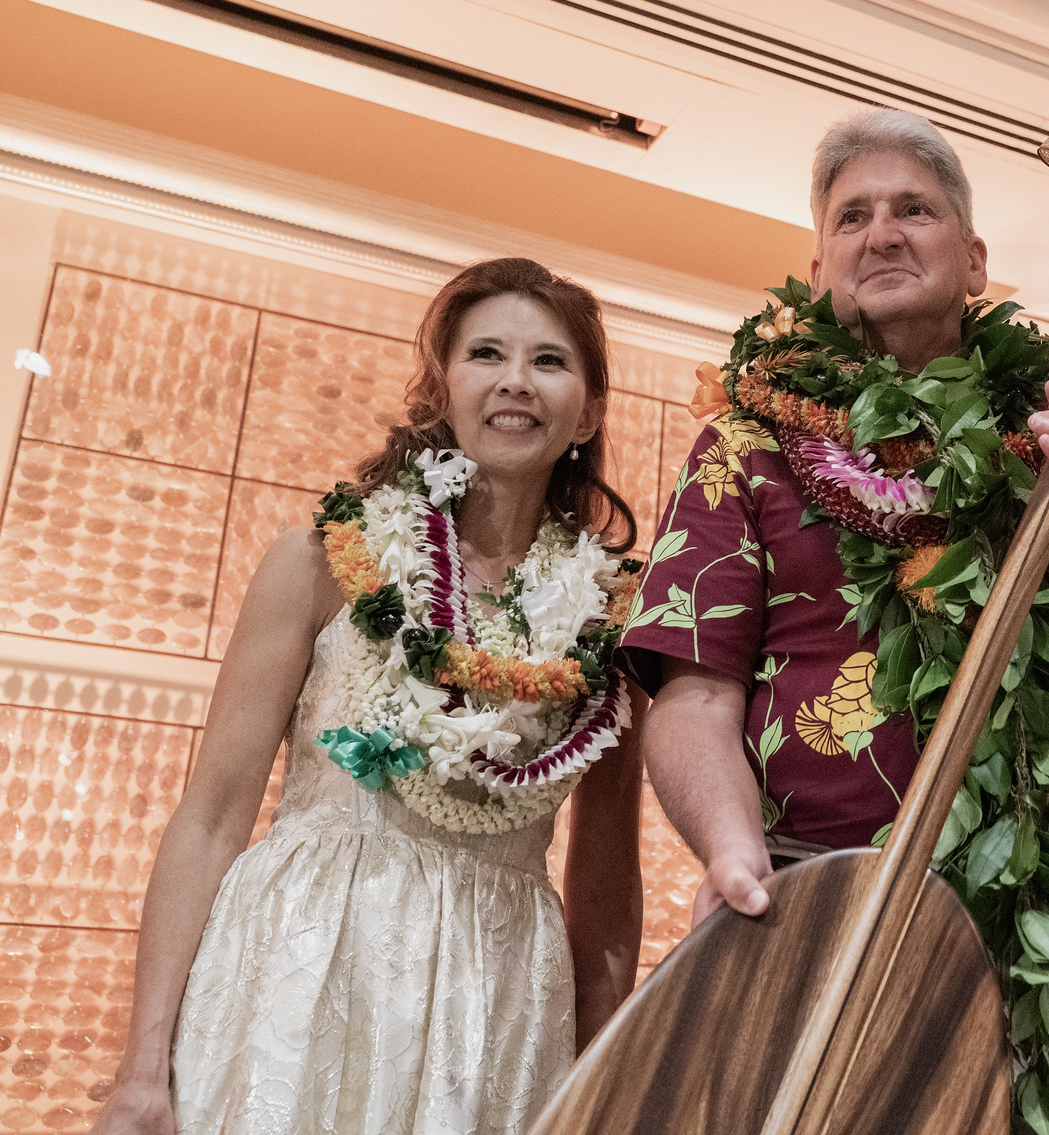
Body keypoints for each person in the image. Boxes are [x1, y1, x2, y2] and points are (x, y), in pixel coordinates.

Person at [620, 108, 1049, 1132]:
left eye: (913, 210)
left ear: (975, 260)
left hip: (1042, 937)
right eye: (851, 216)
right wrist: (727, 853)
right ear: (817, 272)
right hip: (813, 920)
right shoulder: (742, 444)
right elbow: (694, 691)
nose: (882, 233)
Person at [90, 258, 648, 1135]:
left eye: (549, 361)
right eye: (486, 354)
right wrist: (140, 1068)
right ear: (441, 388)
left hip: (497, 999)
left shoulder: (615, 620)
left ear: (592, 407)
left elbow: (607, 881)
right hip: (303, 966)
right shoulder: (322, 561)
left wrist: (602, 1091)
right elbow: (211, 815)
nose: (514, 382)